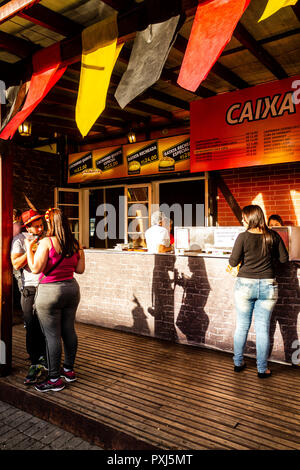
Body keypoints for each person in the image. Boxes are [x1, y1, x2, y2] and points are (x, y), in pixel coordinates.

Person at [25, 208, 85, 392]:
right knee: (69, 330)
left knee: (52, 335)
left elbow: (35, 268)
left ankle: (53, 379)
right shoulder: (75, 244)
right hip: (71, 289)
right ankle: (68, 370)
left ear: (50, 224)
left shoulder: (47, 242)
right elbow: (80, 270)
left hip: (50, 291)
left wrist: (28, 249)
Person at [229, 205, 288, 378]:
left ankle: (238, 363)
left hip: (245, 285)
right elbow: (284, 259)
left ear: (251, 218)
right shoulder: (273, 236)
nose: (242, 221)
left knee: (242, 326)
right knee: (262, 329)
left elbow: (233, 263)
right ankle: (262, 369)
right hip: (268, 285)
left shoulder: (242, 237)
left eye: (244, 218)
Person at [11, 209, 47, 385]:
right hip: (30, 287)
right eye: (37, 226)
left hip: (48, 286)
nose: (40, 229)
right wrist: (30, 249)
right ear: (28, 227)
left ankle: (47, 361)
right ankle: (35, 361)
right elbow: (16, 263)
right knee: (31, 325)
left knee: (47, 326)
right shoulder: (19, 240)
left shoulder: (47, 238)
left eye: (41, 225)